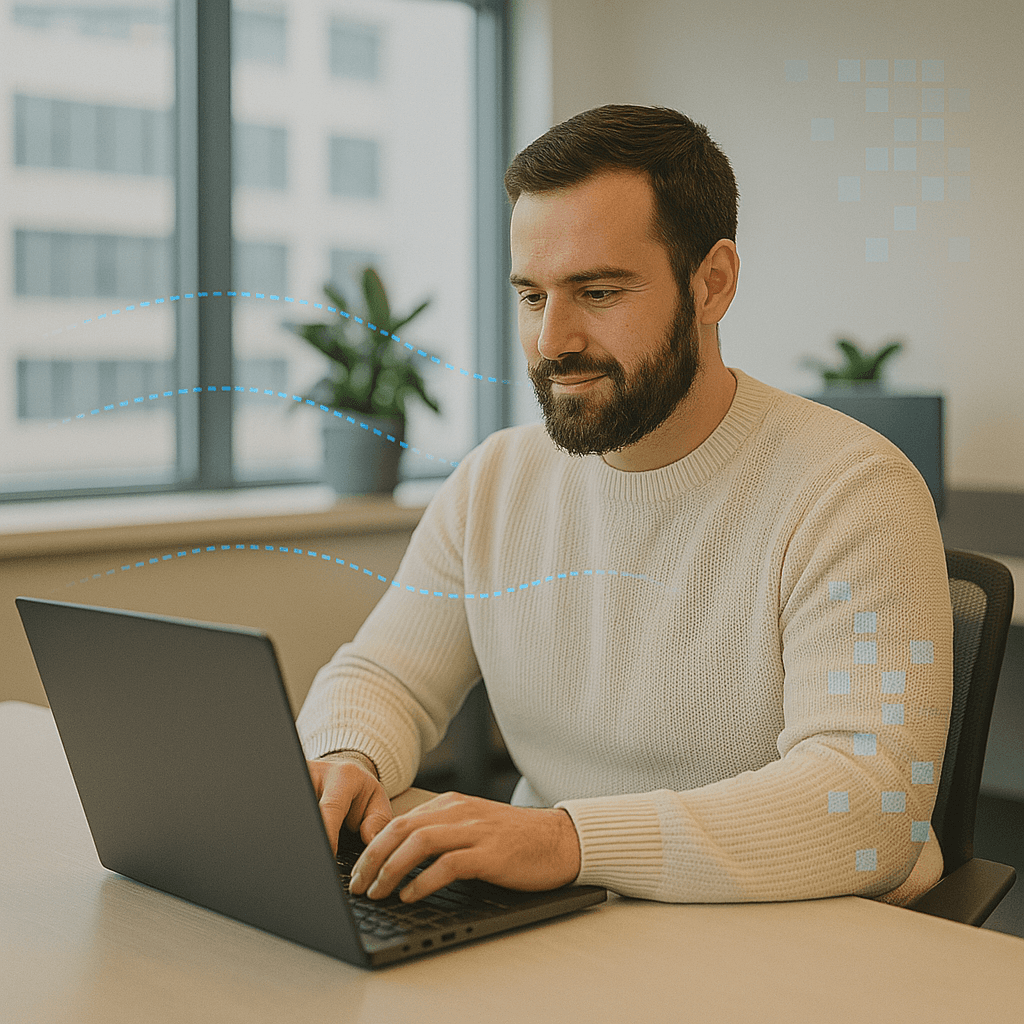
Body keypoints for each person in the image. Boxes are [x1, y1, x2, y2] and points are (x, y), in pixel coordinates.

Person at [296, 104, 953, 908]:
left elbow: (872, 803)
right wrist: (346, 757)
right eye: (532, 296)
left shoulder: (853, 490)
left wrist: (567, 839)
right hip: (570, 921)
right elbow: (385, 676)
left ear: (713, 283)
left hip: (799, 939)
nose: (551, 341)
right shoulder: (495, 482)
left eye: (597, 291)